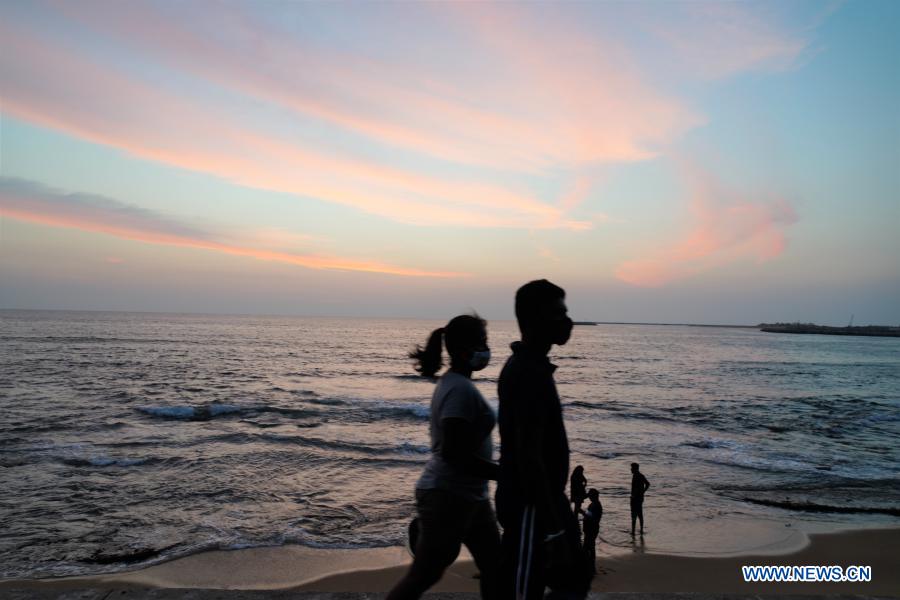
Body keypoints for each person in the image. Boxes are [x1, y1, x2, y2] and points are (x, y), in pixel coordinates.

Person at [387, 314, 501, 600]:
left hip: (471, 495)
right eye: (481, 343)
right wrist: (503, 473)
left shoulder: (456, 383)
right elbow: (454, 453)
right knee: (425, 574)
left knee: (496, 568)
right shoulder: (459, 389)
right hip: (449, 495)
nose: (486, 350)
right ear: (463, 349)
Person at [496, 279, 592, 600]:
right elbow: (528, 456)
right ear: (536, 319)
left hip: (548, 500)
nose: (568, 321)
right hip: (530, 506)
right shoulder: (527, 373)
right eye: (558, 313)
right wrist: (552, 530)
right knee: (526, 590)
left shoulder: (535, 367)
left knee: (576, 578)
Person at [581, 489, 602, 573]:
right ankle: (589, 566)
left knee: (589, 548)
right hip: (589, 529)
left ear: (593, 496)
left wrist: (582, 513)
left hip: (592, 529)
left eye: (590, 495)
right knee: (588, 548)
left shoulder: (596, 506)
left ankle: (591, 567)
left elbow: (593, 519)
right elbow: (589, 515)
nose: (589, 497)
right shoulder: (593, 504)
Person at [630, 462, 650, 537]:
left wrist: (635, 495)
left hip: (635, 498)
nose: (631, 469)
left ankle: (633, 531)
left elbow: (646, 484)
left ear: (635, 469)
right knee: (639, 513)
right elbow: (647, 484)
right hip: (640, 498)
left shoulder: (637, 476)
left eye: (632, 468)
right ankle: (641, 530)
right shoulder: (640, 475)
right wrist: (643, 492)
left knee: (634, 514)